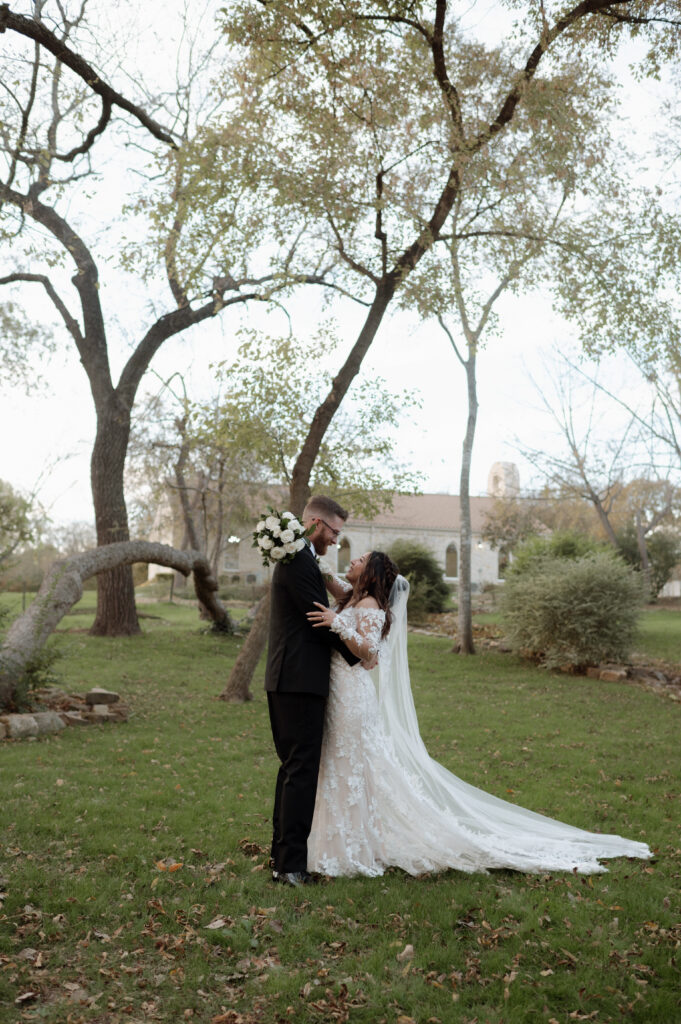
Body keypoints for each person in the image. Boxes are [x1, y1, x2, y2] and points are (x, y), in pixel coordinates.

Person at [306, 551, 652, 877]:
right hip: (341, 691)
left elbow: (369, 652)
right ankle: (346, 841)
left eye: (361, 560)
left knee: (351, 766)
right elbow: (331, 581)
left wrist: (338, 624)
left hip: (353, 697)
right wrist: (302, 550)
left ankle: (350, 848)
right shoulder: (353, 596)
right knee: (343, 766)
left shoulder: (367, 604)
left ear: (370, 574)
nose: (353, 560)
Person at [264, 495, 359, 888]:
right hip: (299, 680)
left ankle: (282, 860)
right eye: (335, 532)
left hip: (290, 678)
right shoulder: (299, 560)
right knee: (300, 772)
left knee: (293, 770)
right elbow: (320, 618)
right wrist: (359, 654)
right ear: (317, 523)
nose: (336, 540)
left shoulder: (301, 556)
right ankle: (290, 867)